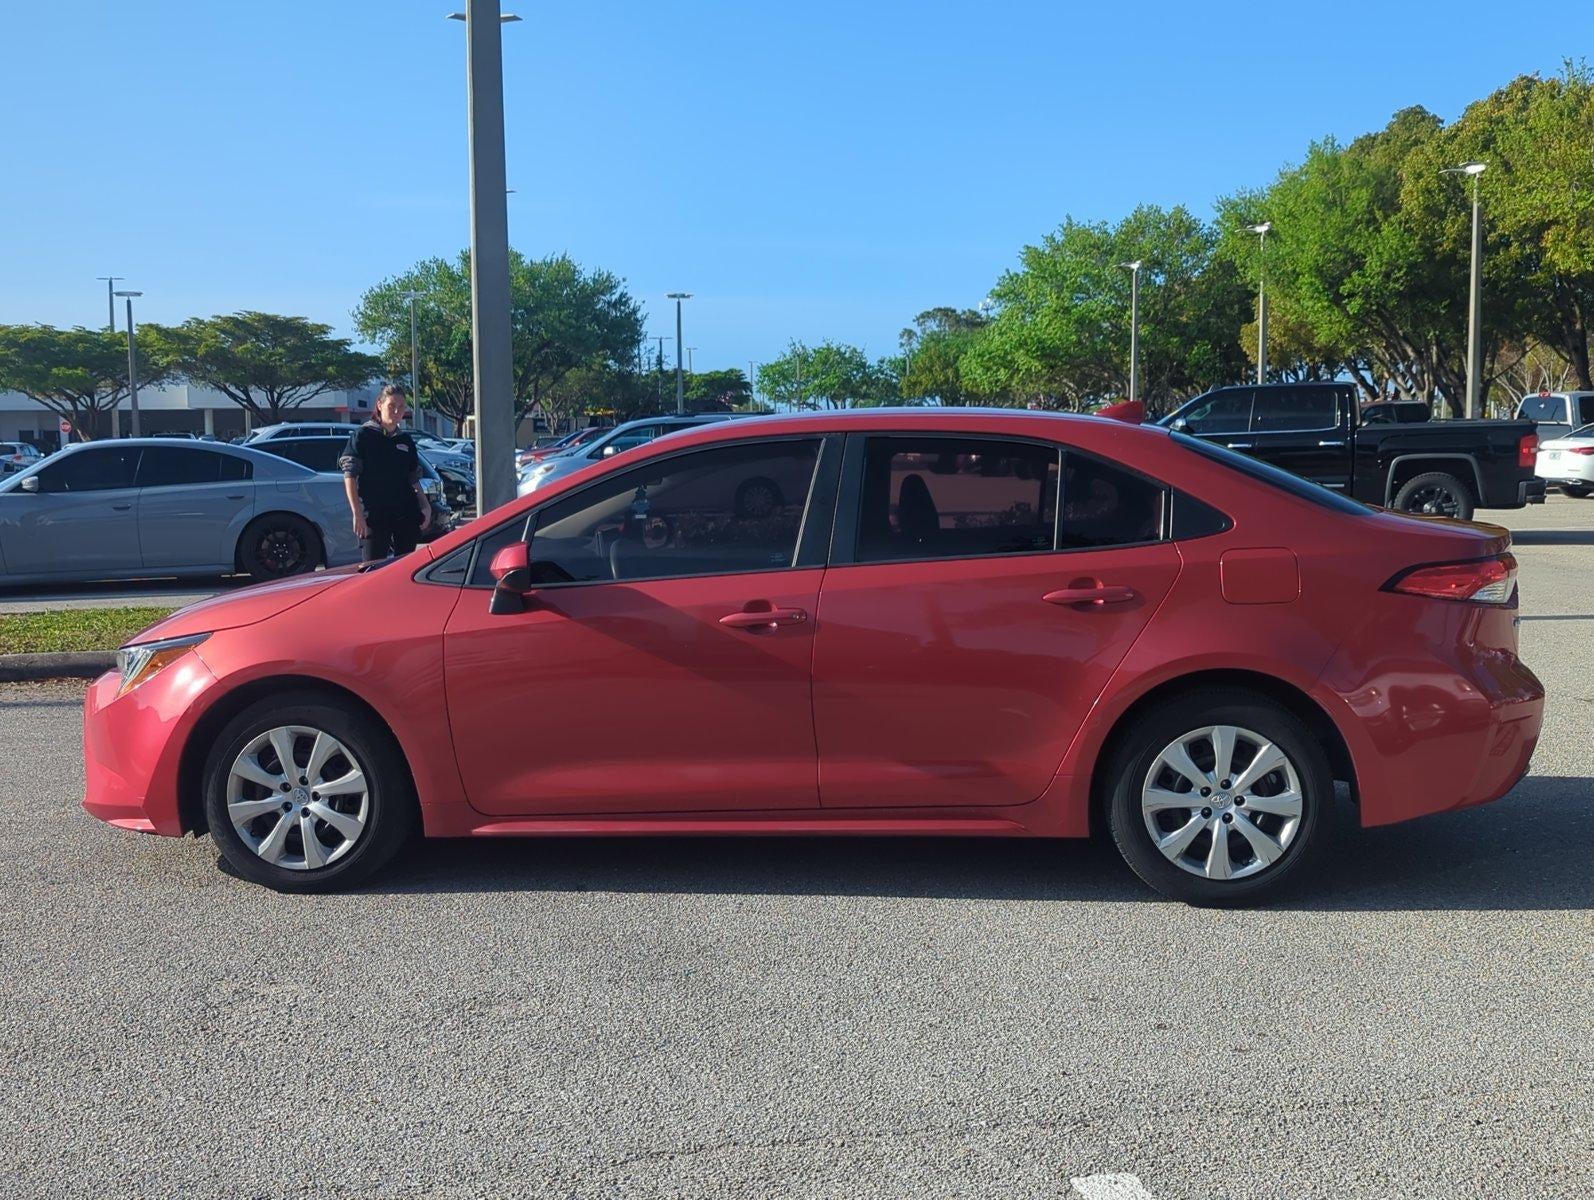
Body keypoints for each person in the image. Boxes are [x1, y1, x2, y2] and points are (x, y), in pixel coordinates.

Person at [339, 384, 431, 561]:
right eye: (391, 406)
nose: (396, 411)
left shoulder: (405, 440)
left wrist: (425, 506)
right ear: (380, 405)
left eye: (401, 407)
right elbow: (349, 475)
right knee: (373, 568)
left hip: (405, 511)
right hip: (374, 513)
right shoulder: (363, 436)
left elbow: (413, 477)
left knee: (406, 566)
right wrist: (357, 514)